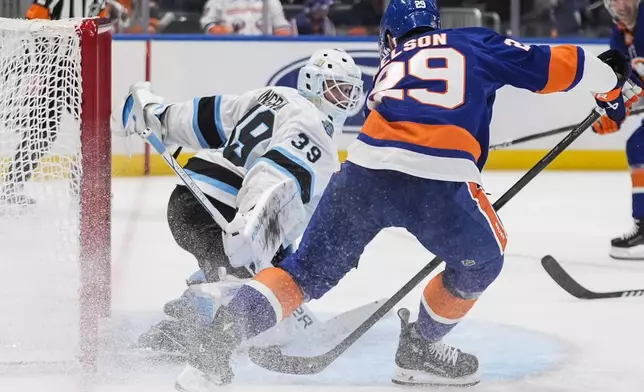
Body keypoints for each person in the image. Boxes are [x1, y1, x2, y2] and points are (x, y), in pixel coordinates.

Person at [170, 0, 642, 389]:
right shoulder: (474, 41)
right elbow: (570, 67)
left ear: (391, 37)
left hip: (365, 170)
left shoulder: (393, 64)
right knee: (484, 257)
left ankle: (212, 349)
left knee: (303, 272)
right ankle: (422, 349)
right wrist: (612, 90)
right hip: (438, 184)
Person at [110, 49, 363, 353]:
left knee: (253, 266)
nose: (345, 98)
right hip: (224, 211)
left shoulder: (273, 95)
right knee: (243, 283)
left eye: (350, 90)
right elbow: (275, 177)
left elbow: (209, 117)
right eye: (337, 88)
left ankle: (204, 289)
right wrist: (252, 224)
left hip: (188, 201)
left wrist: (161, 117)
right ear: (313, 82)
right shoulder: (315, 128)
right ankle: (191, 318)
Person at [0, 0, 107, 205]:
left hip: (77, 70)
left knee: (95, 126)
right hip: (47, 69)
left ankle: (83, 182)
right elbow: (32, 24)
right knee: (42, 132)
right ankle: (12, 185)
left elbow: (98, 28)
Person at [596, 0, 644, 259]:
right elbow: (624, 82)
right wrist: (612, 112)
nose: (620, 4)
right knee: (639, 147)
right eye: (613, 0)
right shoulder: (620, 36)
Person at [200, 0, 291, 35]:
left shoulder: (271, 2)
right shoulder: (217, 1)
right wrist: (225, 33)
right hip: (229, 48)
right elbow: (209, 25)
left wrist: (278, 39)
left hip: (265, 48)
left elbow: (282, 27)